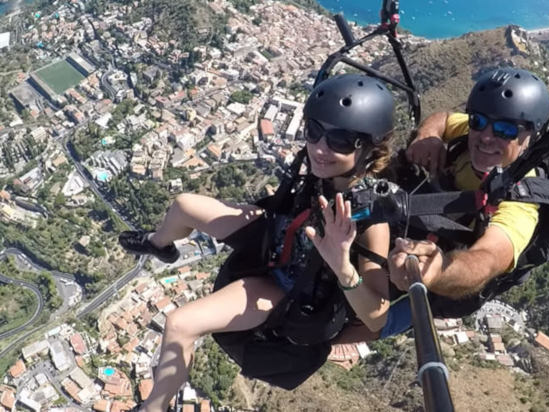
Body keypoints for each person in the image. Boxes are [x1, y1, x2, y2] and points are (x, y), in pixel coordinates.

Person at [118, 74, 396, 409]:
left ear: (370, 149)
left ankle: (154, 406)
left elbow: (377, 318)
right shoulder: (324, 172)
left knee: (180, 324)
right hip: (279, 233)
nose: (321, 148)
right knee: (184, 206)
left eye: (340, 140)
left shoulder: (370, 220)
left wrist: (343, 267)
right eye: (314, 131)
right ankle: (159, 244)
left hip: (289, 285)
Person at [376, 67, 549, 338]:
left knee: (379, 322)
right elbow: (444, 119)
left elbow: (488, 259)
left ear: (531, 137)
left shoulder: (523, 200)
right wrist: (429, 135)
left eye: (506, 130)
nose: (486, 136)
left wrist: (438, 272)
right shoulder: (480, 130)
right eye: (478, 121)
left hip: (457, 280)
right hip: (445, 228)